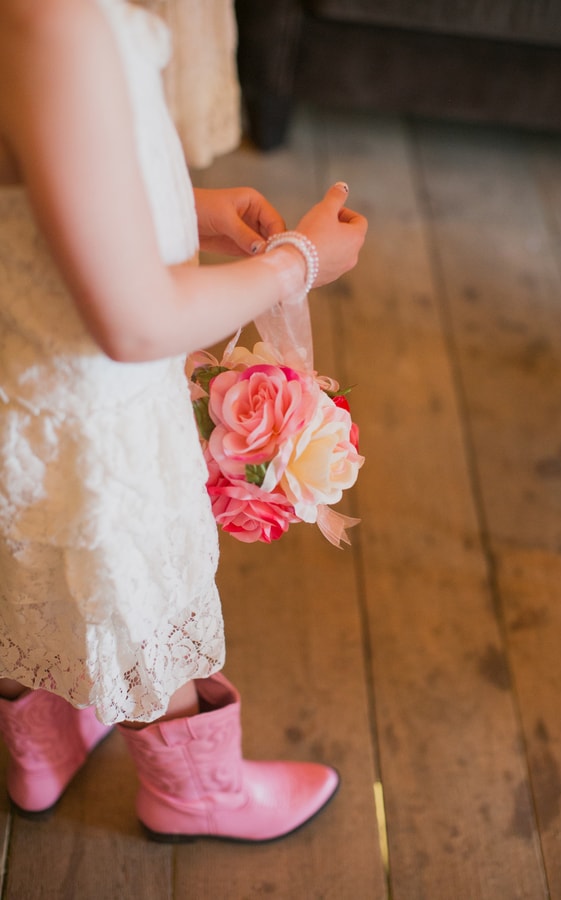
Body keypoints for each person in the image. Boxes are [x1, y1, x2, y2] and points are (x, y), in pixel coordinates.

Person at [0, 0, 367, 843]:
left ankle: (38, 750)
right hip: (85, 403)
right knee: (132, 589)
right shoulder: (51, 19)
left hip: (20, 376)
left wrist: (178, 205)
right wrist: (299, 262)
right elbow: (136, 323)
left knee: (28, 568)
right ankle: (194, 794)